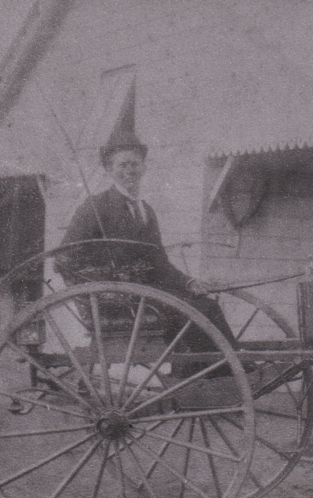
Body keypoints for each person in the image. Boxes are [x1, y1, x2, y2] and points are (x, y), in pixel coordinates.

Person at [55, 130, 238, 372]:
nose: (129, 171)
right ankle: (230, 374)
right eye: (122, 165)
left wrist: (189, 281)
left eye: (135, 164)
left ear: (144, 168)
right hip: (118, 301)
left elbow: (159, 263)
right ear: (109, 170)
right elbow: (64, 258)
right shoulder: (96, 207)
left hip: (148, 296)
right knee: (201, 311)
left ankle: (210, 379)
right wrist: (104, 277)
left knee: (206, 305)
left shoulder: (146, 211)